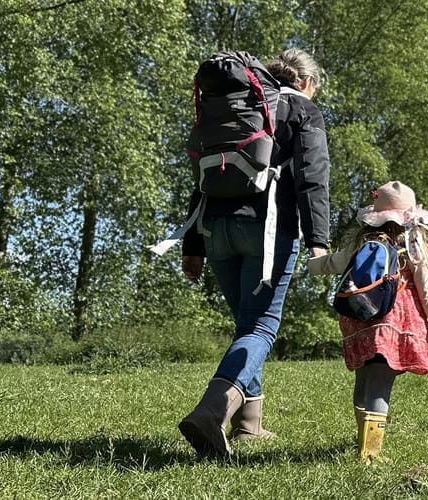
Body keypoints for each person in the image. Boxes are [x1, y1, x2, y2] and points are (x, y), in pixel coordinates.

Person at [176, 48, 331, 458]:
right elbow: (313, 178)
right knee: (260, 327)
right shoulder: (302, 110)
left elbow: (201, 176)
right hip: (267, 231)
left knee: (247, 325)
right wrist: (318, 240)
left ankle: (249, 425)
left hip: (215, 227)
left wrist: (193, 246)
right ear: (307, 82)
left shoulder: (236, 106)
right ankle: (212, 411)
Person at [307, 181, 428, 464]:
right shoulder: (411, 242)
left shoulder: (362, 239)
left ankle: (363, 442)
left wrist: (313, 262)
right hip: (393, 322)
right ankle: (370, 454)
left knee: (363, 382)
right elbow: (427, 289)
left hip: (360, 318)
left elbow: (334, 263)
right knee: (380, 385)